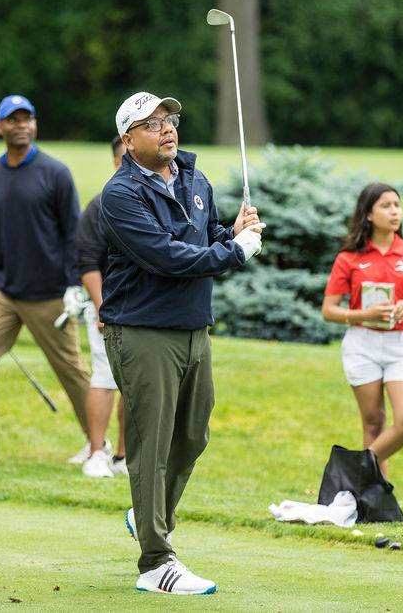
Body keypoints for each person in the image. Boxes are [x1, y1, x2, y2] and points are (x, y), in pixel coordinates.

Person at [101, 91, 263, 595]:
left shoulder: (194, 178)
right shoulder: (121, 194)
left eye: (170, 119)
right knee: (150, 445)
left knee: (192, 436)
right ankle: (155, 561)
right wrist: (234, 251)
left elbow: (202, 234)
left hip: (194, 326)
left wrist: (228, 231)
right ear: (129, 141)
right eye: (152, 124)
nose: (167, 128)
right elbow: (167, 257)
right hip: (143, 329)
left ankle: (148, 514)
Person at [0, 94, 92, 459]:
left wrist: (75, 284)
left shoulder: (55, 173)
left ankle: (99, 444)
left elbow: (72, 234)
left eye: (27, 119)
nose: (21, 125)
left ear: (35, 124)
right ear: (0, 127)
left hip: (50, 292)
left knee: (72, 370)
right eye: (13, 120)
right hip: (4, 290)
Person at [321, 183, 403, 481]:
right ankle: (375, 502)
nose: (394, 211)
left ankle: (357, 469)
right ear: (368, 214)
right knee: (373, 424)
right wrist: (364, 314)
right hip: (362, 344)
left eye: (397, 205)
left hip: (402, 346)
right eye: (386, 206)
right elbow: (329, 310)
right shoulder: (349, 258)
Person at [78, 137, 127, 478]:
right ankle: (97, 453)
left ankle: (124, 457)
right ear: (115, 162)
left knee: (135, 384)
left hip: (142, 307)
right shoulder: (99, 206)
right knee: (104, 375)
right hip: (105, 304)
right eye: (125, 158)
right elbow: (88, 263)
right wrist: (100, 307)